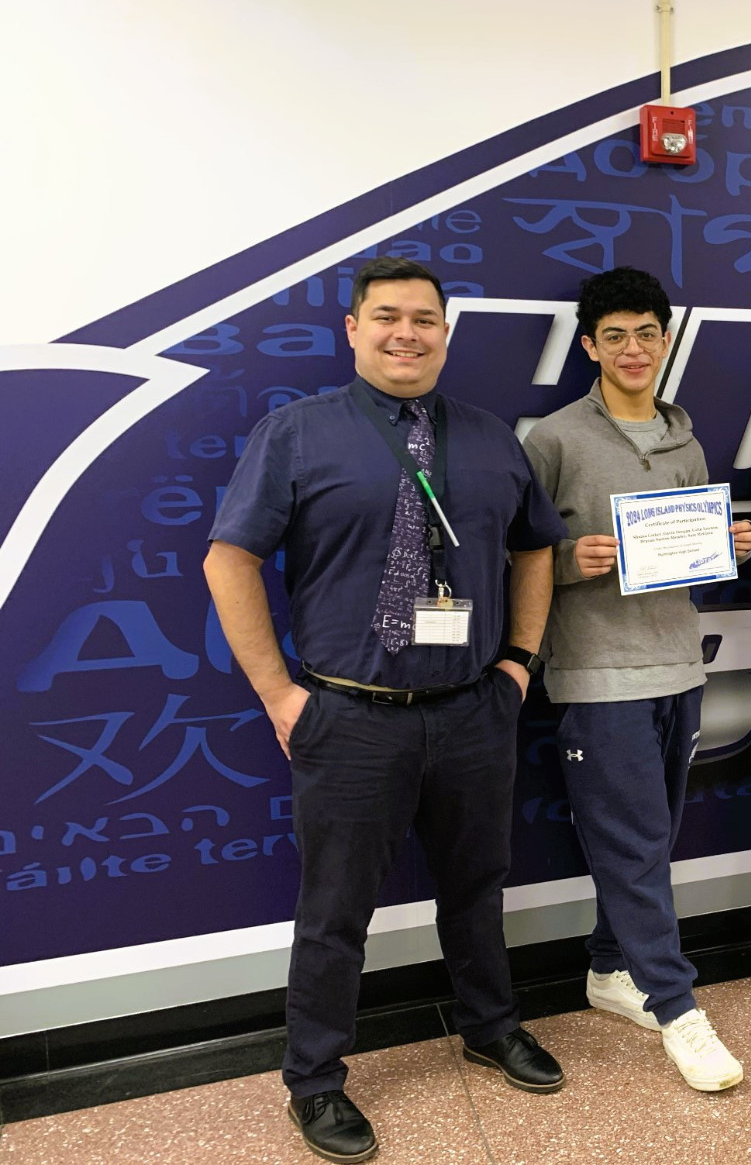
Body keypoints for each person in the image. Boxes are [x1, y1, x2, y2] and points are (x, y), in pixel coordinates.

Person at [204, 257, 566, 1164]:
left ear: (447, 333)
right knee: (335, 911)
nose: (407, 333)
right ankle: (315, 1081)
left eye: (425, 320)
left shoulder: (490, 437)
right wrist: (281, 697)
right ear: (354, 330)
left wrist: (519, 663)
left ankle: (490, 1027)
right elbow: (228, 561)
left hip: (473, 710)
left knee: (478, 889)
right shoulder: (296, 434)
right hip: (350, 718)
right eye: (388, 317)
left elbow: (535, 552)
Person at [521, 266, 751, 1090]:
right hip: (596, 673)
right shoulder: (551, 439)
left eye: (646, 333)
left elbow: (687, 556)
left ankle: (606, 968)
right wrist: (567, 559)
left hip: (676, 662)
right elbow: (513, 556)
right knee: (627, 846)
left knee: (650, 838)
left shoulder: (685, 438)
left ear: (665, 340)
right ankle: (677, 1007)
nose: (632, 348)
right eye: (613, 335)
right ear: (589, 345)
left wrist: (728, 545)